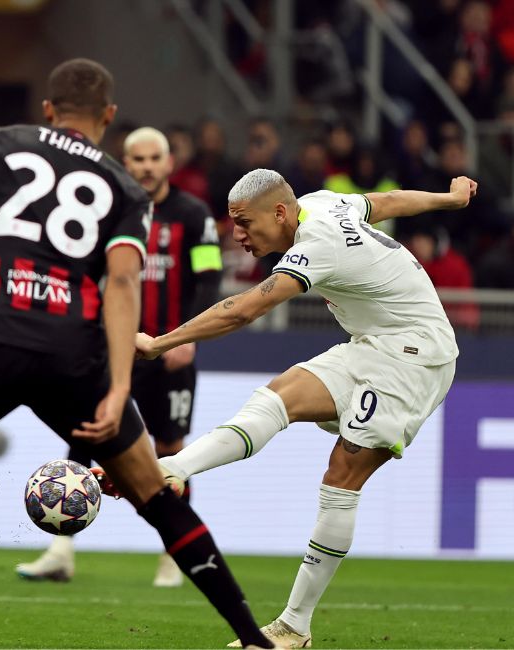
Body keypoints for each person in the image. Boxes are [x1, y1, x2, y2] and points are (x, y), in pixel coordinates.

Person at [0, 58, 274, 650]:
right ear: (108, 116)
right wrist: (117, 387)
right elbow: (125, 285)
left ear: (48, 109)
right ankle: (252, 640)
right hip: (71, 353)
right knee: (154, 492)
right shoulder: (126, 186)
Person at [130, 168, 474, 648]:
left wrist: (161, 343)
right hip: (370, 343)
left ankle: (295, 625)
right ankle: (171, 470)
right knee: (277, 396)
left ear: (278, 212)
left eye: (246, 224)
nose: (239, 235)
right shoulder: (323, 201)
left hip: (415, 357)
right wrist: (450, 198)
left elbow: (245, 309)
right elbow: (390, 200)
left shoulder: (318, 242)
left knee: (342, 473)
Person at [15, 126, 222, 588]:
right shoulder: (106, 210)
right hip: (112, 350)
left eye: (155, 158)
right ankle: (61, 550)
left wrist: (186, 338)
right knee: (85, 434)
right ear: (125, 164)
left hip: (169, 353)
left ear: (169, 163)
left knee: (170, 452)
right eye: (138, 159)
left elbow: (209, 279)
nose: (147, 166)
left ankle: (174, 552)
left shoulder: (193, 214)